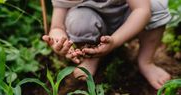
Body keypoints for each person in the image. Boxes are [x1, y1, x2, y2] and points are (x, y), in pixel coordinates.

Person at [42, 0, 171, 90]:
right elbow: (57, 26)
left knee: (156, 6)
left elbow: (142, 10)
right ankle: (91, 56)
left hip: (129, 21)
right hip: (91, 21)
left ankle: (145, 61)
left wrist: (114, 41)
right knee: (78, 21)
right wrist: (59, 40)